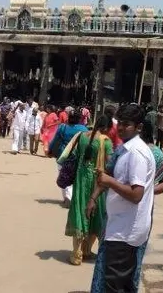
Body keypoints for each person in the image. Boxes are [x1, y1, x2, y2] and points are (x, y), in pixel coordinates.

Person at [90, 103, 163, 292]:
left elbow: (136, 195)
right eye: (119, 123)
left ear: (139, 127)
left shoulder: (137, 153)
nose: (120, 127)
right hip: (122, 226)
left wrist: (109, 181)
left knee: (115, 285)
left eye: (126, 124)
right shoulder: (126, 149)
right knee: (122, 284)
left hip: (125, 231)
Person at [61, 112, 113, 266]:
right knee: (96, 215)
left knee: (80, 211)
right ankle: (87, 250)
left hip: (81, 179)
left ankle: (76, 253)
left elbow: (76, 155)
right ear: (106, 128)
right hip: (98, 181)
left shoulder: (82, 136)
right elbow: (110, 164)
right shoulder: (106, 141)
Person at [49, 110, 90, 207]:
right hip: (77, 156)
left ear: (69, 118)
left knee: (64, 175)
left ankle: (67, 198)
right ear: (79, 119)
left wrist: (50, 150)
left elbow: (55, 140)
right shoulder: (84, 129)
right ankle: (72, 197)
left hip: (63, 155)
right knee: (75, 176)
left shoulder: (62, 127)